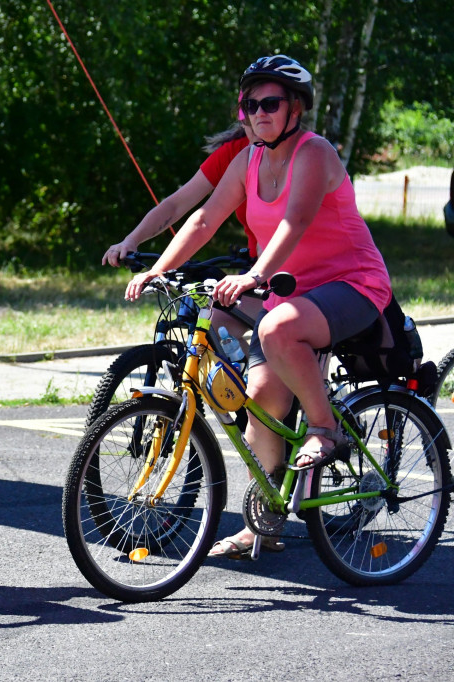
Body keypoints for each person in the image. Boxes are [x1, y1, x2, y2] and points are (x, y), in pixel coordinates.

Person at [125, 54, 392, 559]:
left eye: (270, 103)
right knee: (259, 391)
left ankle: (324, 428)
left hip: (351, 283)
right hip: (290, 286)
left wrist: (253, 276)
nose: (258, 113)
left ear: (296, 108)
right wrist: (158, 268)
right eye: (250, 104)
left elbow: (293, 223)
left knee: (278, 330)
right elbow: (203, 221)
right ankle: (264, 520)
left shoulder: (314, 154)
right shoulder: (248, 158)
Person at [104, 97, 261, 347]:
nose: (257, 123)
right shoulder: (237, 153)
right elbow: (178, 205)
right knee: (214, 332)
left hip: (301, 274)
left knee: (275, 345)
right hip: (257, 267)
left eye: (269, 107)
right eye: (248, 115)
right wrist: (131, 240)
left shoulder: (302, 156)